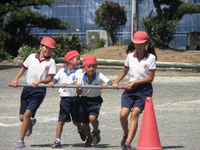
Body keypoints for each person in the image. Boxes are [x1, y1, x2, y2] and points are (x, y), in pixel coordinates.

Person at [112, 31, 157, 150]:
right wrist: (116, 81)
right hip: (130, 89)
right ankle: (126, 133)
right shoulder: (130, 57)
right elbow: (124, 71)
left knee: (135, 113)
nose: (138, 46)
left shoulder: (151, 58)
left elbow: (150, 78)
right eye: (136, 43)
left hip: (144, 90)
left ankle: (127, 143)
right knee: (123, 115)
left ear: (146, 43)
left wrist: (134, 82)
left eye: (141, 43)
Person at [10, 36, 57, 148]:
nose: (48, 50)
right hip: (27, 88)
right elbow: (23, 68)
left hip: (39, 91)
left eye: (51, 49)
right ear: (41, 47)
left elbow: (51, 78)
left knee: (26, 115)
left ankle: (20, 140)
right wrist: (16, 79)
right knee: (22, 117)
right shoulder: (31, 57)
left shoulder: (51, 62)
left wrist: (40, 81)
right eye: (46, 47)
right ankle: (30, 122)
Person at [48, 50, 86, 148]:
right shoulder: (61, 71)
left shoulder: (79, 71)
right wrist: (52, 83)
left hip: (75, 99)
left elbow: (77, 81)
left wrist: (68, 84)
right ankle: (57, 140)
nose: (79, 61)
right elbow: (55, 79)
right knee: (61, 120)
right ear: (69, 61)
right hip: (64, 100)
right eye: (77, 59)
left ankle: (80, 128)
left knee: (76, 121)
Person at [76, 55, 112, 147]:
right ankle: (89, 137)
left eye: (94, 67)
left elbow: (109, 82)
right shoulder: (80, 77)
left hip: (95, 100)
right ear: (84, 67)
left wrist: (106, 84)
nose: (91, 69)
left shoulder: (99, 75)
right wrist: (78, 88)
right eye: (89, 67)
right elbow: (79, 92)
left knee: (92, 118)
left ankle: (96, 130)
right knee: (84, 123)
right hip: (84, 100)